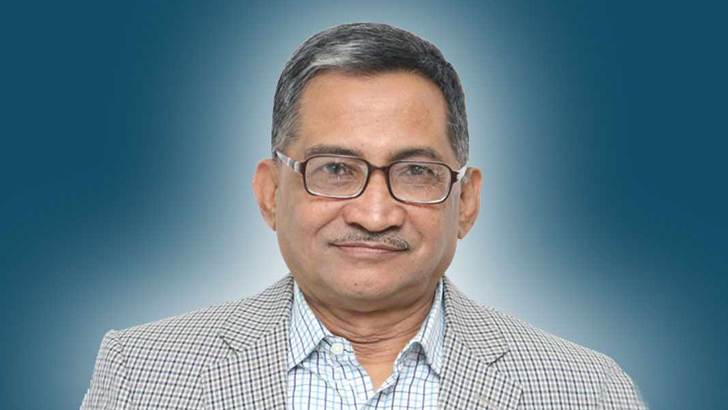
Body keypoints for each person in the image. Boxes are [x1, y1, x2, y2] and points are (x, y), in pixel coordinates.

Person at [81, 23, 647, 409]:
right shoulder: (142, 376)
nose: (375, 214)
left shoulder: (588, 391)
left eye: (416, 172)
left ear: (466, 201)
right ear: (270, 193)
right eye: (335, 169)